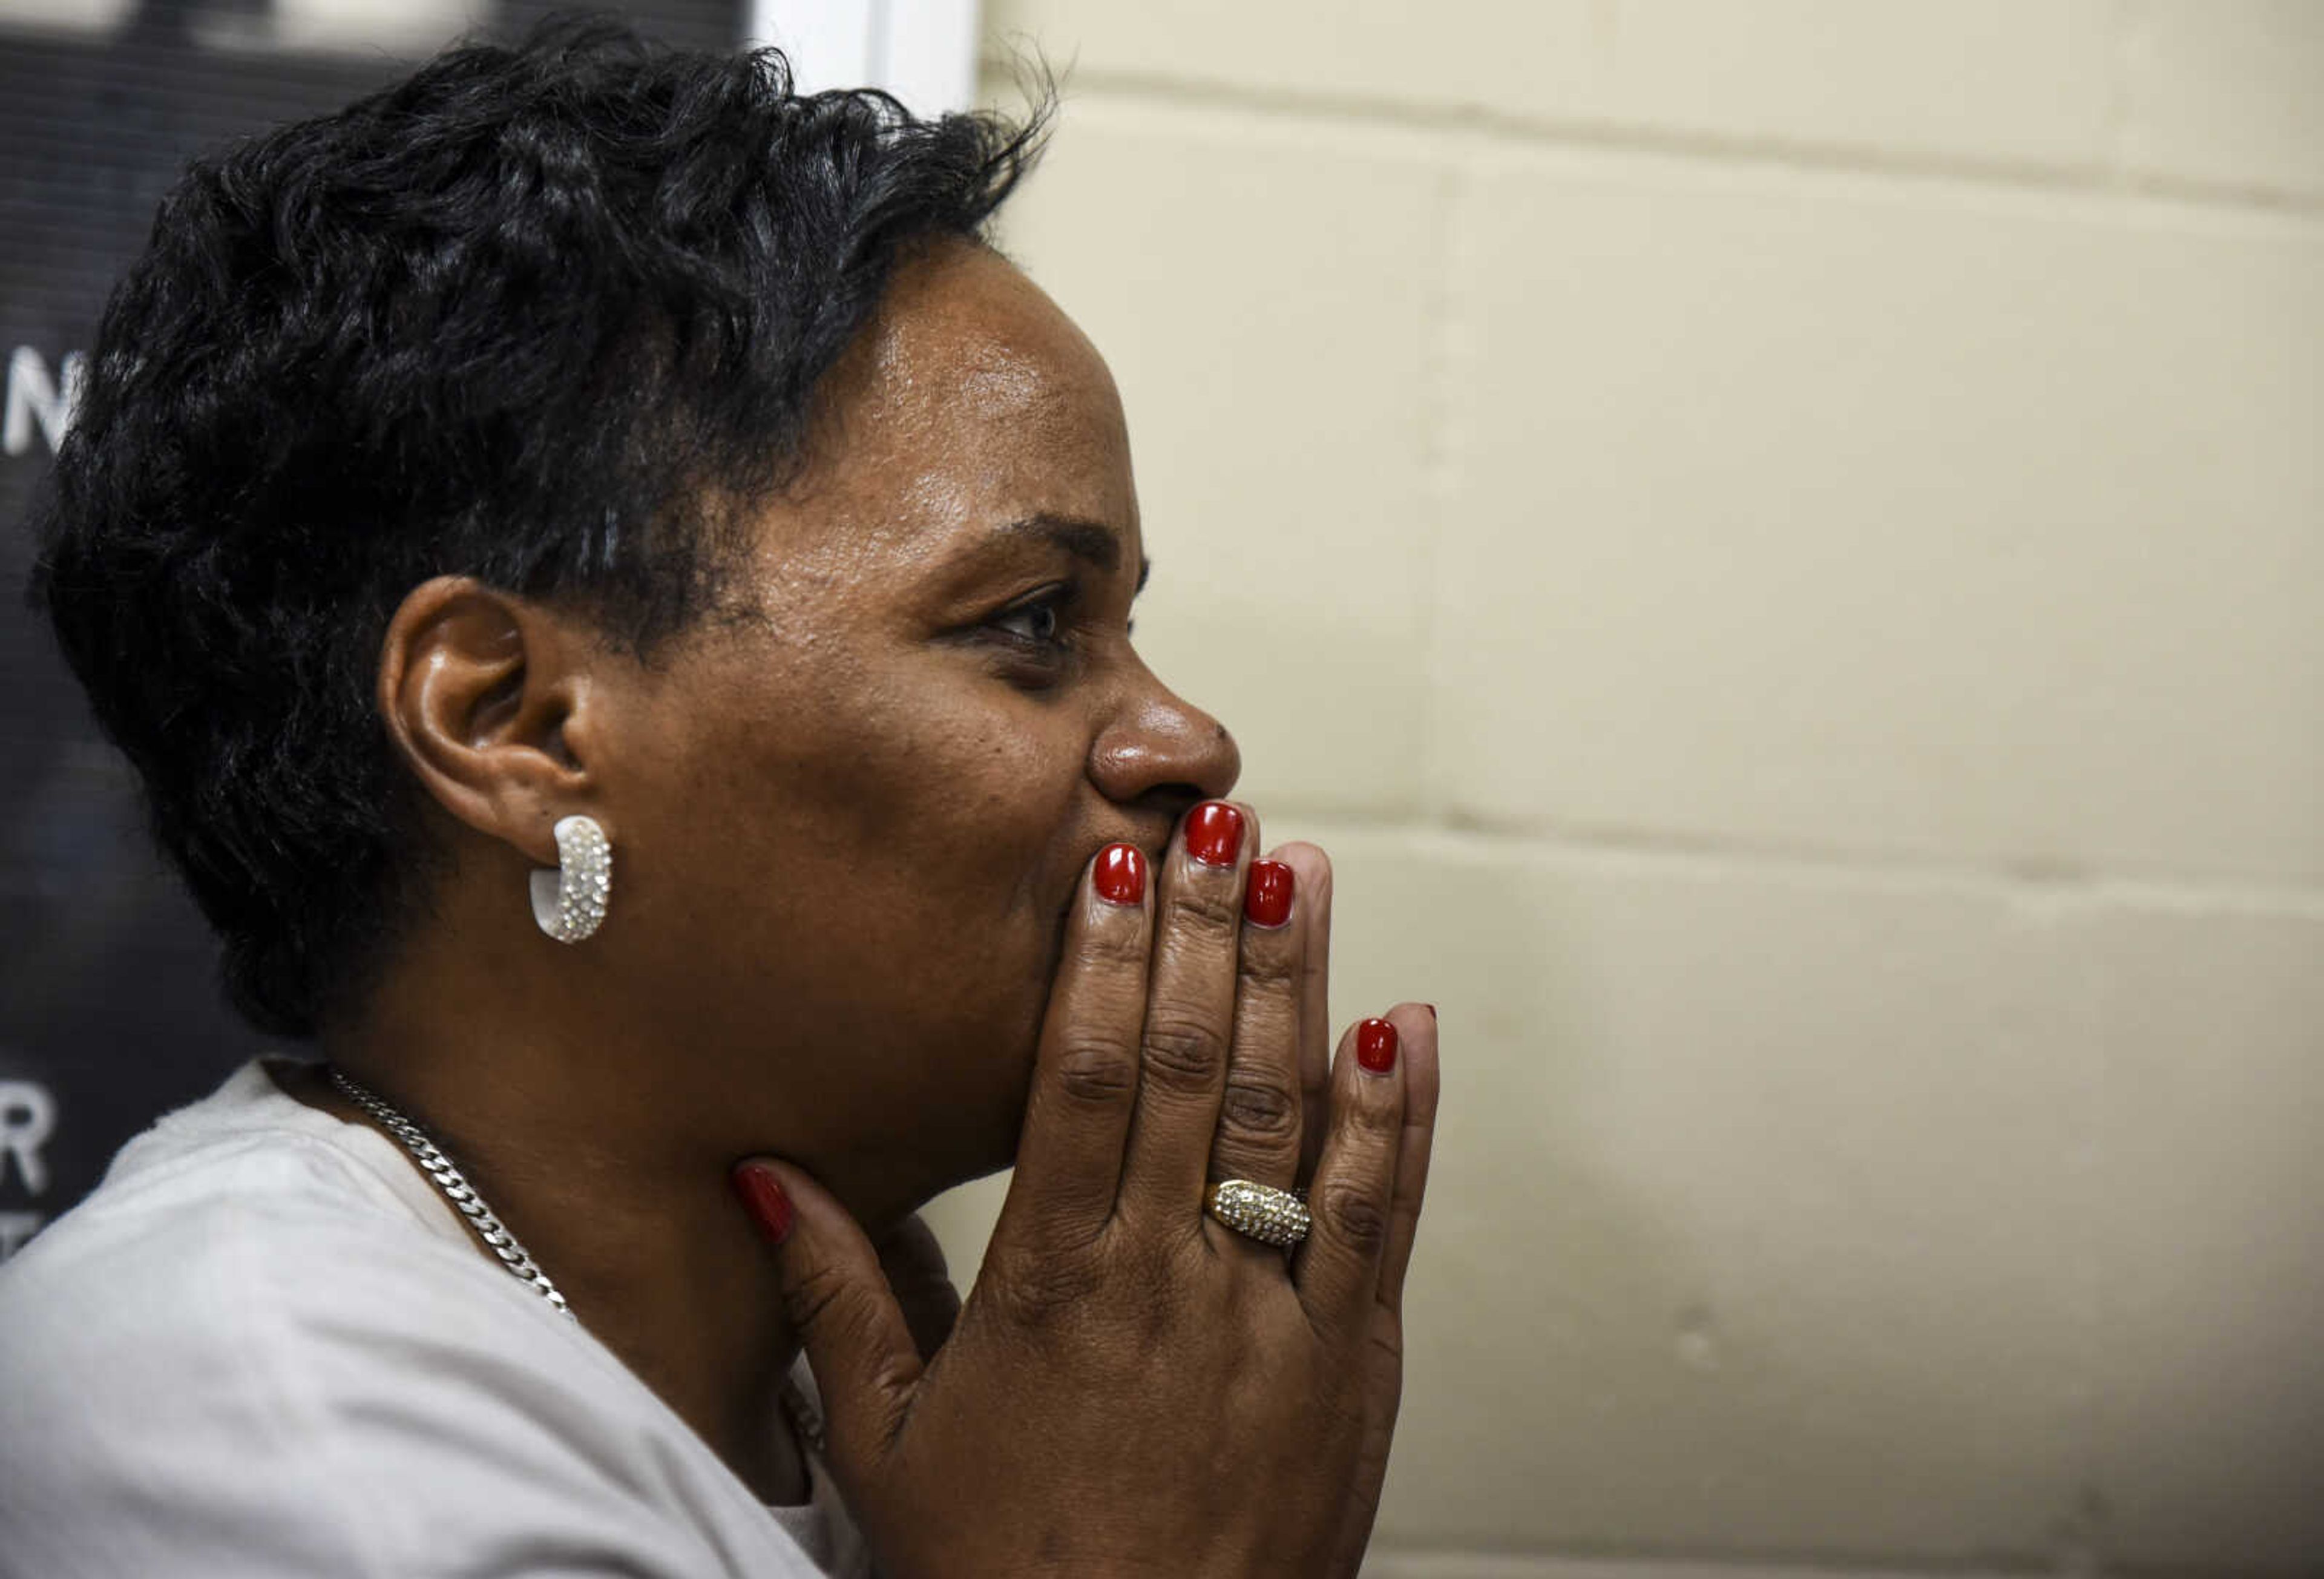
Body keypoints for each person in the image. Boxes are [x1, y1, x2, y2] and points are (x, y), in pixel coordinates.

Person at [0, 18, 1441, 1577]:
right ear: (514, 721)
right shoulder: (254, 1427)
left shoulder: (865, 1406)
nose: (1186, 742)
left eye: (1129, 625)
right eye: (1031, 623)